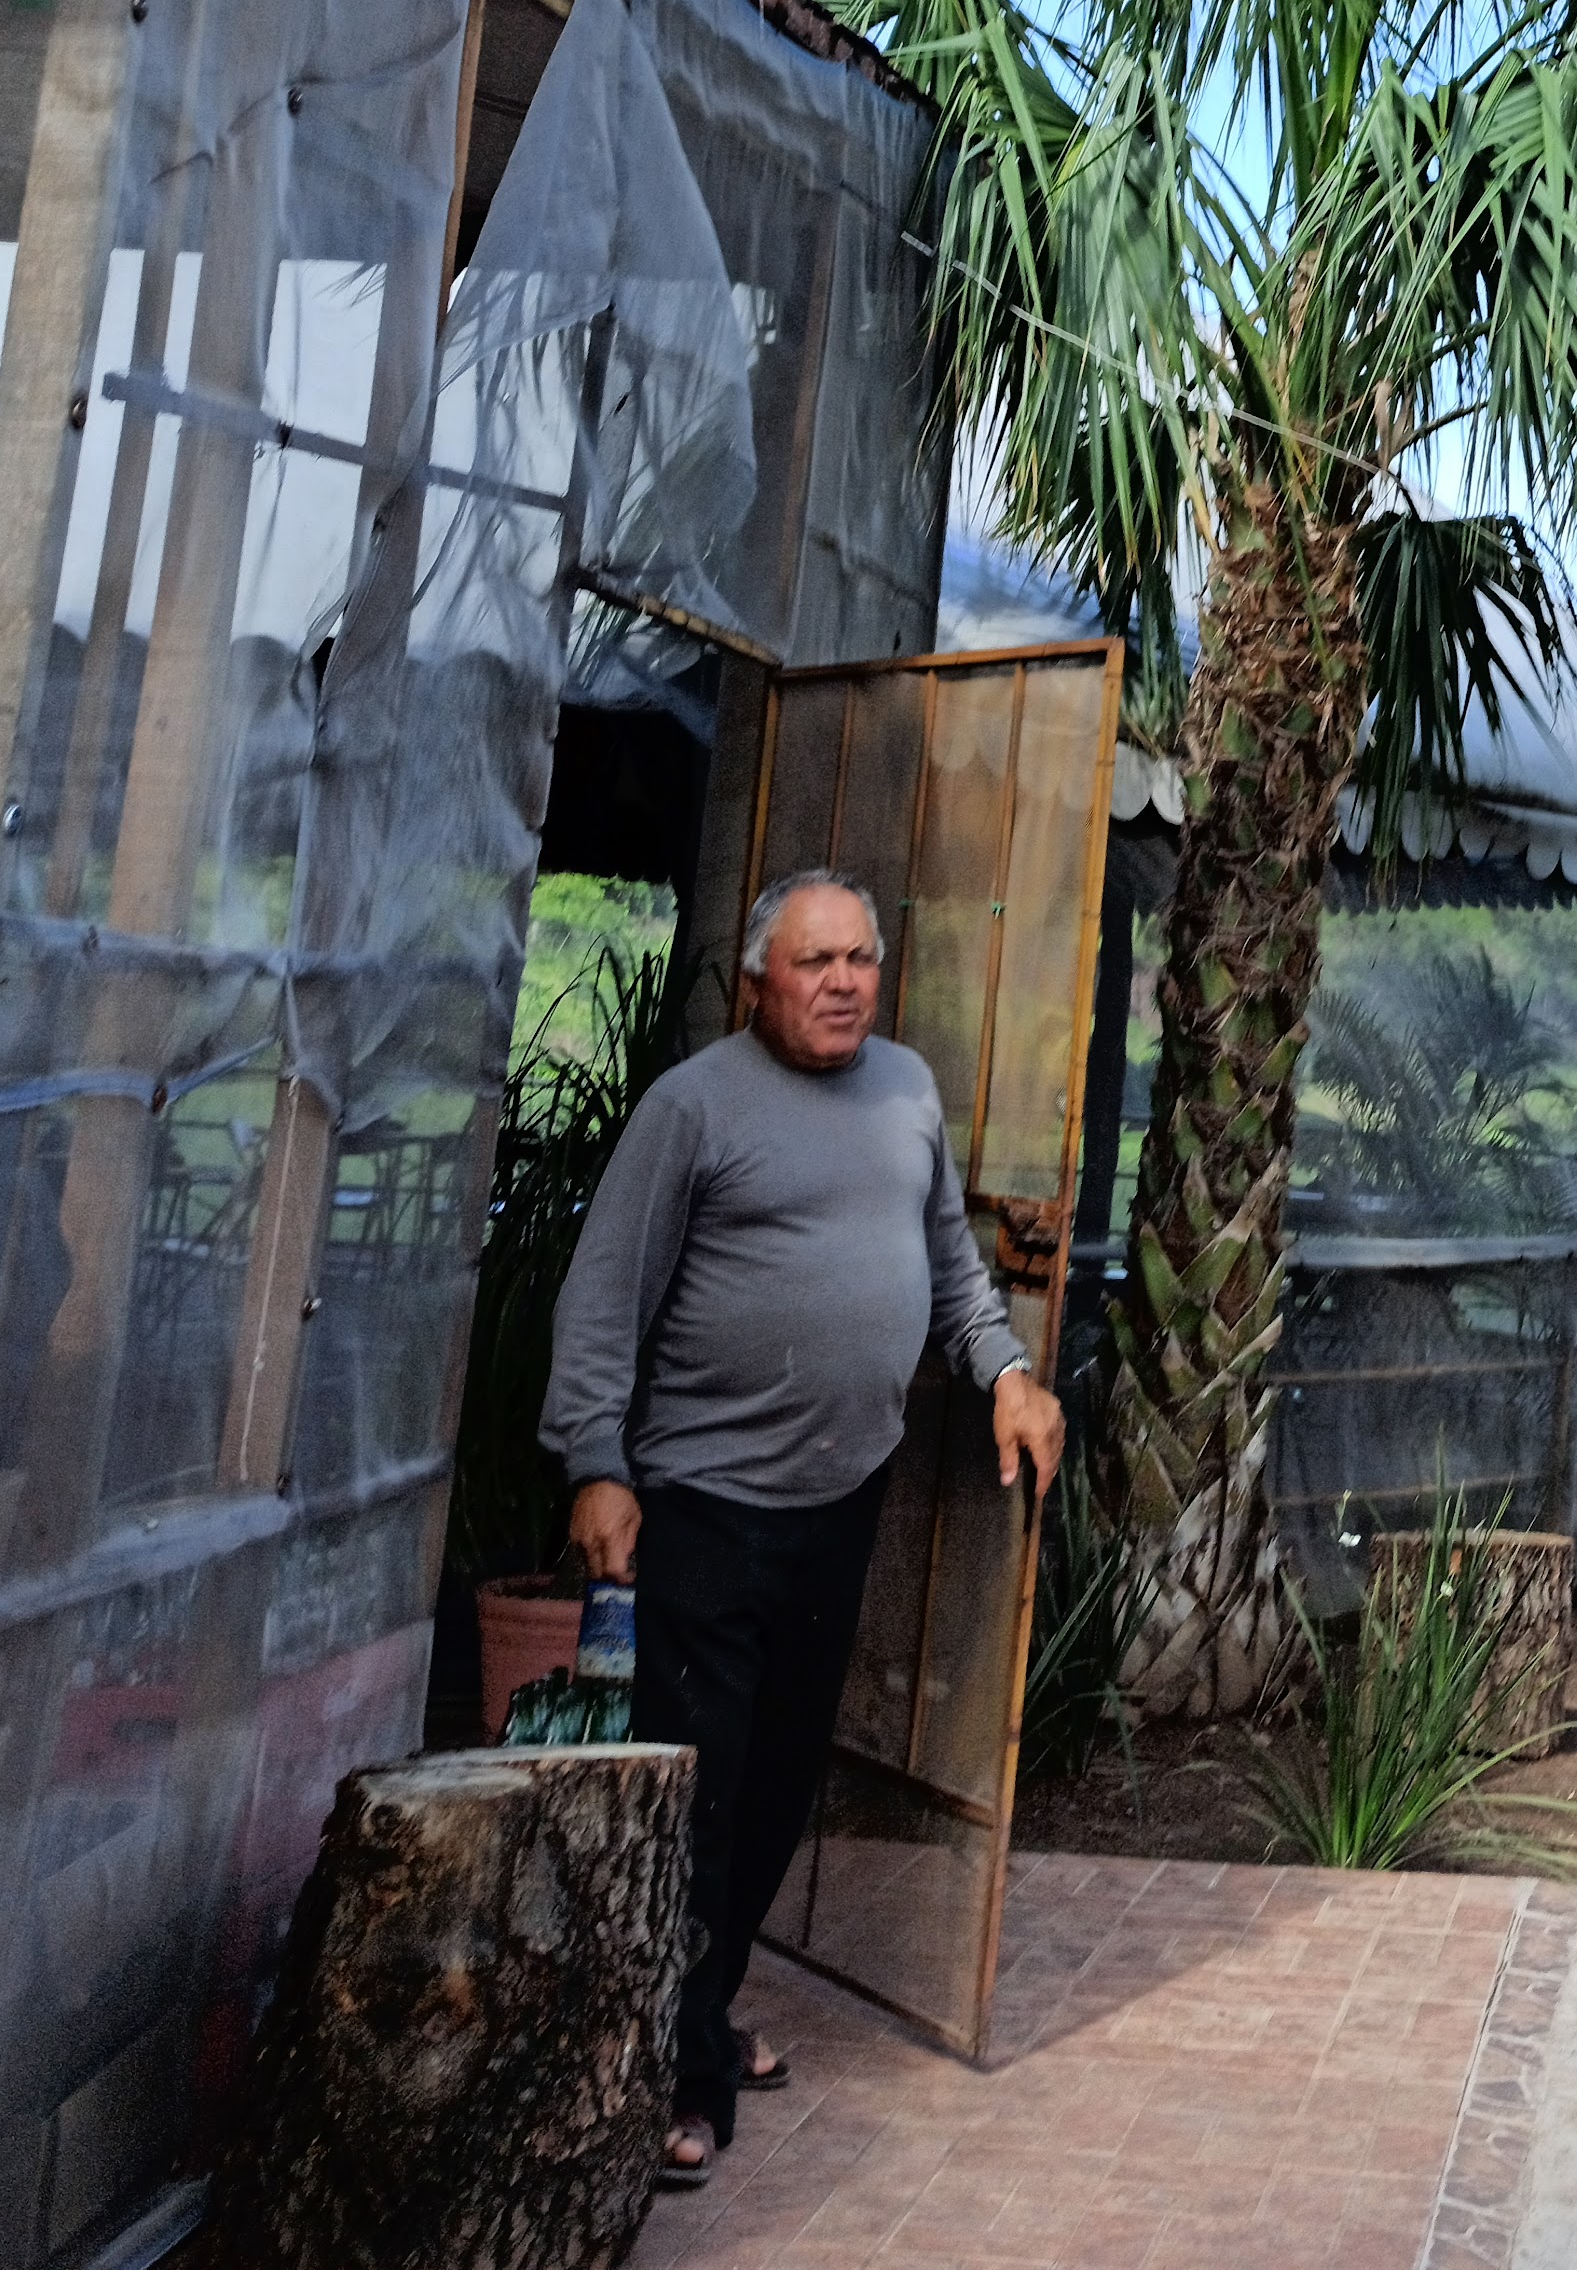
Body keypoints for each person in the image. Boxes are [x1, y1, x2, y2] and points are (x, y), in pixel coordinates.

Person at [546, 866, 1067, 2188]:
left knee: (778, 1780)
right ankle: (679, 2082)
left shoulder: (904, 1090)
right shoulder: (693, 1107)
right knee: (699, 1794)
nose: (843, 984)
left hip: (841, 1499)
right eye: (815, 963)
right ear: (756, 982)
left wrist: (1004, 1368)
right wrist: (596, 1464)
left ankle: (697, 2013)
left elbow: (949, 1260)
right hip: (706, 1505)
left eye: (860, 962)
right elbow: (605, 1295)